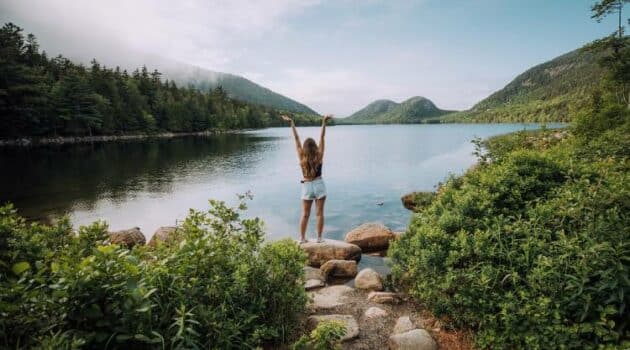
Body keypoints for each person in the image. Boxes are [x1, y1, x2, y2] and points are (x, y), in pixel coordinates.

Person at [281, 114, 332, 243]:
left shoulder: (301, 156)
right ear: (315, 146)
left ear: (304, 147)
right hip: (319, 184)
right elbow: (322, 137)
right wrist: (323, 122)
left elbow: (296, 139)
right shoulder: (319, 155)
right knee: (319, 213)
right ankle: (319, 238)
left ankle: (302, 238)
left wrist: (291, 123)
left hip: (307, 186)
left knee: (305, 214)